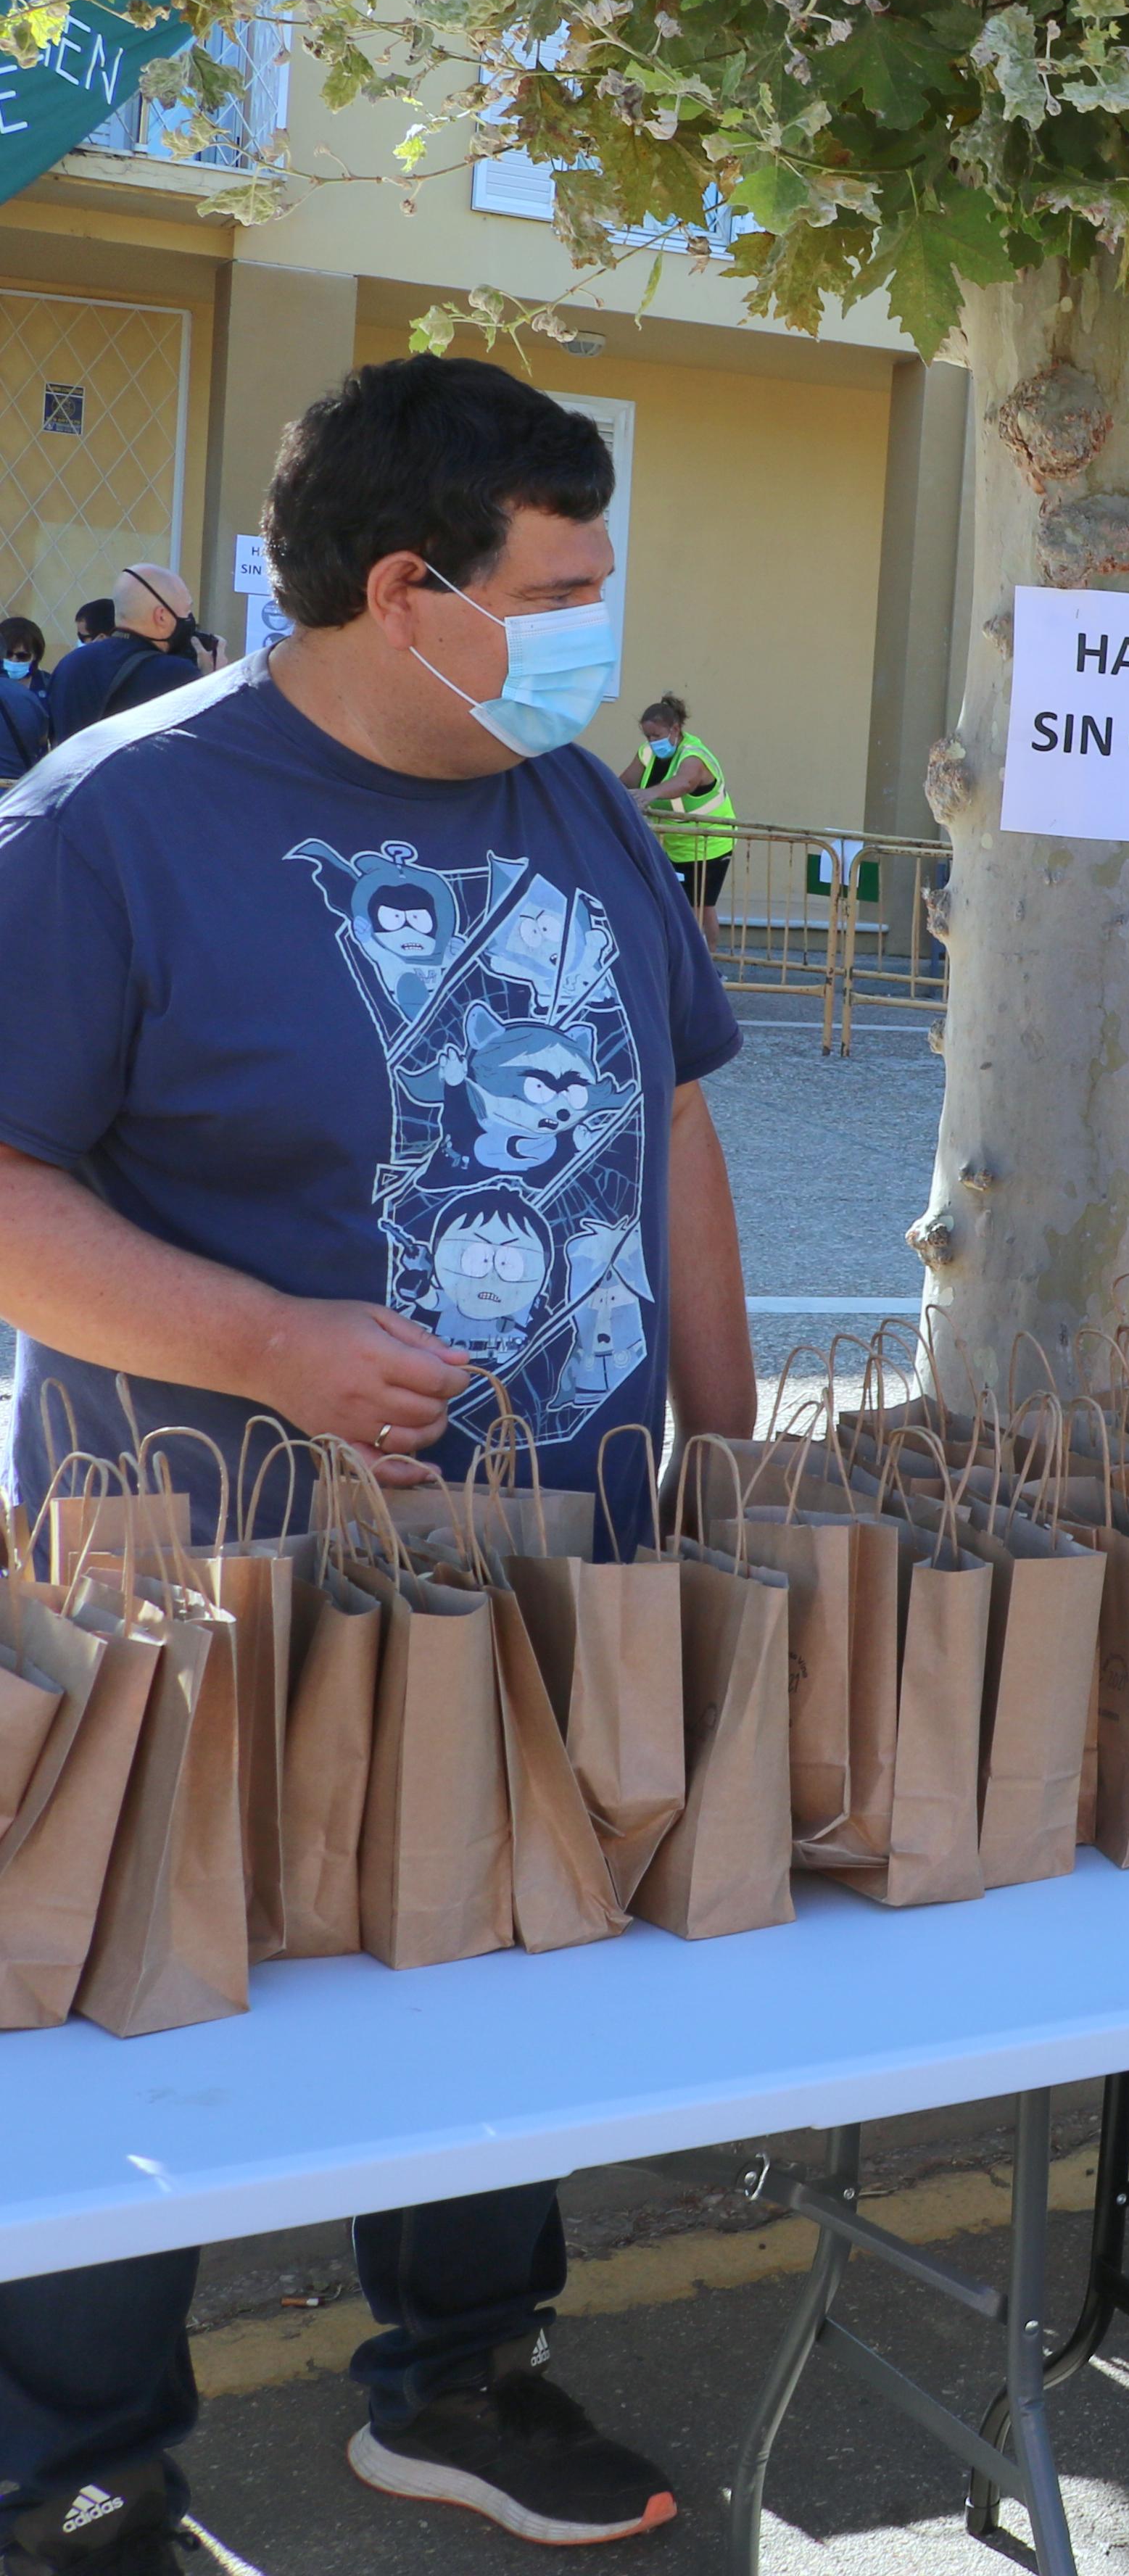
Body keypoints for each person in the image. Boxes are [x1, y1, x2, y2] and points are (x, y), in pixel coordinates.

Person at [0, 357, 755, 2563]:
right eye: (570, 584)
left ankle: (460, 2375)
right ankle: (76, 2460)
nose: (603, 624)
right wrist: (264, 1344)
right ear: (408, 588)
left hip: (545, 1555)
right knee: (133, 2006)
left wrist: (718, 1449)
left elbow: (678, 1117)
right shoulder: (109, 823)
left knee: (493, 1968)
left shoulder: (580, 798)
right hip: (201, 1583)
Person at [41, 565, 217, 744]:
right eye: (187, 610)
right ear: (161, 616)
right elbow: (207, 745)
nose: (190, 619)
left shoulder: (69, 664)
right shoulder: (175, 674)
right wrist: (213, 683)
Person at [626, 694, 735, 945]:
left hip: (711, 842)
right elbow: (625, 783)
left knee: (700, 908)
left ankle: (707, 966)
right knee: (683, 905)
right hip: (675, 844)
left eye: (656, 736)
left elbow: (686, 781)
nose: (652, 742)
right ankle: (693, 965)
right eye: (648, 737)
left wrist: (649, 794)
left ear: (674, 729)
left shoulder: (693, 755)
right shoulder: (647, 753)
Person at [0, 618, 51, 783]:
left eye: (22, 656)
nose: (14, 661)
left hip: (37, 775)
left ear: (35, 657)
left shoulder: (49, 685)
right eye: (8, 654)